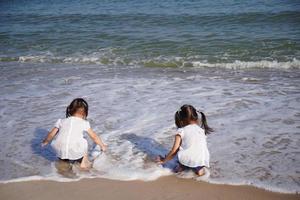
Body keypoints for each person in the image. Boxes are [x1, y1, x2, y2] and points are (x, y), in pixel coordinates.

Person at [41, 98, 107, 169]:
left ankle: (63, 163)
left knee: (62, 146)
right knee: (84, 141)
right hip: (75, 150)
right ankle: (83, 163)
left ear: (70, 110)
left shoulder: (61, 121)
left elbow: (51, 134)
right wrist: (102, 146)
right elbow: (94, 136)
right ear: (85, 112)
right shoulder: (84, 123)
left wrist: (45, 142)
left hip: (59, 150)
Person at [156, 104, 213, 176]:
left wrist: (164, 161)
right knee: (197, 161)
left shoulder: (181, 131)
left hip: (187, 159)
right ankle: (199, 171)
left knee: (176, 162)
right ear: (196, 117)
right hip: (202, 159)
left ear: (181, 119)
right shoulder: (201, 130)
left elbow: (174, 150)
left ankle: (180, 168)